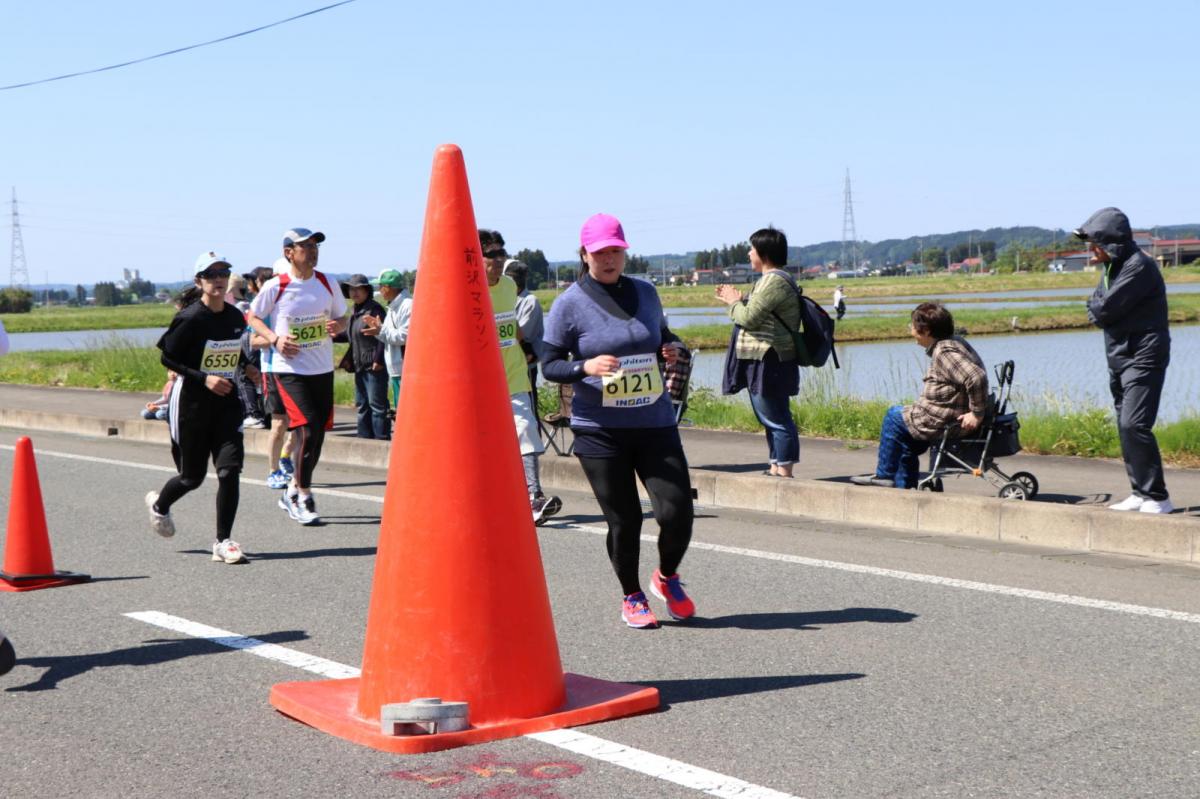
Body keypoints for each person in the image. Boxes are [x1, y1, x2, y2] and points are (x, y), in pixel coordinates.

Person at [541, 213, 695, 629]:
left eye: (615, 251)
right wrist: (585, 366)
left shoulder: (646, 292)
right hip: (600, 430)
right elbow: (549, 365)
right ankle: (632, 595)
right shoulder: (569, 303)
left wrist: (672, 348)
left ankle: (666, 577)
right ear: (584, 255)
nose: (609, 259)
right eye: (600, 253)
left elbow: (662, 335)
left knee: (677, 510)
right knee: (625, 519)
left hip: (654, 421)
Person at [143, 252, 253, 564]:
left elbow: (232, 349)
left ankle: (223, 541)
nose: (218, 279)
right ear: (199, 281)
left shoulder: (235, 317)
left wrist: (247, 366)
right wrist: (205, 378)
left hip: (227, 404)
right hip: (192, 405)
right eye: (211, 274)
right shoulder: (190, 318)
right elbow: (168, 357)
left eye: (223, 274)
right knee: (192, 478)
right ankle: (160, 506)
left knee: (229, 471)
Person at [246, 228, 348, 525]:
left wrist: (338, 326)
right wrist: (275, 339)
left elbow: (342, 317)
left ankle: (292, 489)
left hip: (321, 369)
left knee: (317, 435)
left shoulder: (327, 282)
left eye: (316, 246)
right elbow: (252, 317)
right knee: (306, 430)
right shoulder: (276, 286)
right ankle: (303, 496)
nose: (313, 251)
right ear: (289, 253)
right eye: (306, 246)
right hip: (288, 370)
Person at [1077, 207, 1173, 514]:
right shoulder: (1113, 267)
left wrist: (1098, 307)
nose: (1091, 249)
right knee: (1124, 424)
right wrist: (1098, 306)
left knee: (1135, 423)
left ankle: (1158, 497)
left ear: (1111, 241)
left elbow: (1102, 311)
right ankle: (1140, 492)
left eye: (1095, 243)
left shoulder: (1138, 266)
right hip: (1119, 355)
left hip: (1144, 354)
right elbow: (1098, 308)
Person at [851, 302, 988, 489]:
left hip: (944, 420)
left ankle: (884, 475)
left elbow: (976, 377)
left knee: (893, 417)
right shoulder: (954, 342)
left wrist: (977, 413)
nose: (911, 330)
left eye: (913, 326)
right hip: (945, 416)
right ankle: (905, 489)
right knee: (904, 440)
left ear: (927, 331)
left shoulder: (944, 352)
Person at [479, 230, 562, 526]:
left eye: (502, 253)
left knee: (526, 430)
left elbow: (509, 322)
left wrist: (526, 348)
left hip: (513, 375)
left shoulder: (509, 285)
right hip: (480, 383)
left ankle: (533, 497)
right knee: (486, 443)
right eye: (492, 254)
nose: (499, 259)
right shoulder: (465, 291)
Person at [715, 227, 802, 478]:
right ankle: (776, 466)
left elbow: (748, 318)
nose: (748, 253)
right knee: (769, 417)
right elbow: (756, 314)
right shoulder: (769, 280)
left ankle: (784, 470)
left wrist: (733, 302)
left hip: (770, 357)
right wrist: (739, 301)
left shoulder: (773, 281)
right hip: (765, 357)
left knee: (776, 417)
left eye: (752, 249)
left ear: (763, 253)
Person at [254, 258, 297, 489]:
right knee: (279, 424)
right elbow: (251, 340)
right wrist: (275, 340)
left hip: (301, 370)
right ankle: (273, 471)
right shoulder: (266, 303)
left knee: (304, 423)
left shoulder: (302, 300)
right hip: (273, 369)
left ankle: (285, 455)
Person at [340, 273, 390, 440]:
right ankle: (364, 439)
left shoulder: (375, 310)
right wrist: (331, 335)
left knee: (377, 406)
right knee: (362, 405)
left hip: (373, 366)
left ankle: (381, 440)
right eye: (351, 289)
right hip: (359, 364)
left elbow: (383, 335)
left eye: (358, 289)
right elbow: (351, 334)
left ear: (366, 291)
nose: (354, 293)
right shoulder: (355, 310)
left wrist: (378, 360)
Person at [361, 269, 411, 411]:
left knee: (404, 411)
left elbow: (405, 336)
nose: (379, 290)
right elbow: (390, 334)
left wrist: (380, 330)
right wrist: (379, 330)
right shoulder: (394, 306)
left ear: (388, 287)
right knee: (401, 411)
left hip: (403, 370)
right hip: (397, 369)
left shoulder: (407, 306)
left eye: (380, 286)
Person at [504, 258, 545, 394]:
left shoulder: (530, 301)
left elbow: (524, 335)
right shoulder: (507, 298)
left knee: (528, 400)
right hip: (509, 364)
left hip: (526, 364)